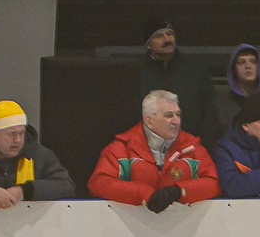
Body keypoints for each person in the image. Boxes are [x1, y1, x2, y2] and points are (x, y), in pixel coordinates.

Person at [89, 90, 220, 211]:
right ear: (149, 121)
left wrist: (179, 191)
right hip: (130, 226)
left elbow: (213, 184)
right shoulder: (121, 149)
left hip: (182, 225)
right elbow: (99, 183)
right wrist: (144, 194)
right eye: (168, 115)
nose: (176, 121)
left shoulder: (193, 149)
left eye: (178, 115)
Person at [136, 17, 214, 137]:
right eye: (159, 36)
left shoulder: (195, 70)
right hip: (147, 143)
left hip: (191, 142)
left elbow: (210, 112)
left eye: (169, 34)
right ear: (148, 45)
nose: (167, 39)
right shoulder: (137, 73)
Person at [216, 43, 260, 137]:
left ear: (259, 66)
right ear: (234, 69)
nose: (248, 66)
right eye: (241, 62)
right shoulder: (221, 105)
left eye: (253, 61)